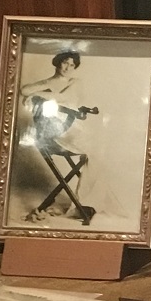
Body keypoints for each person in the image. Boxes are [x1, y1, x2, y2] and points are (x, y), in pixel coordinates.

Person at [21, 49, 97, 225]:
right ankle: (80, 203)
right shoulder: (48, 82)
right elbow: (24, 90)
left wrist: (39, 95)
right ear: (58, 62)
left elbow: (64, 97)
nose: (68, 67)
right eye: (65, 62)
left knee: (95, 152)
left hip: (70, 128)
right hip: (53, 134)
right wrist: (42, 88)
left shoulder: (75, 82)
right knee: (92, 153)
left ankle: (84, 201)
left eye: (72, 65)